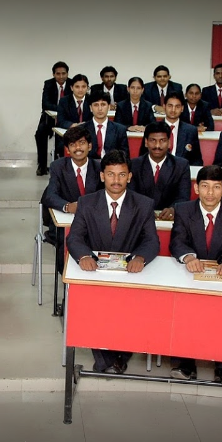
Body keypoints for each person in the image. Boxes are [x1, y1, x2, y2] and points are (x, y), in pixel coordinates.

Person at [66, 150, 160, 373]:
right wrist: (84, 256)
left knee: (128, 313)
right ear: (102, 176)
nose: (116, 180)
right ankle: (108, 359)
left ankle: (118, 356)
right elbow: (75, 237)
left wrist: (140, 257)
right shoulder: (86, 202)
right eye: (111, 174)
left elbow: (151, 240)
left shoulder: (144, 204)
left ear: (129, 177)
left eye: (121, 175)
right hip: (96, 271)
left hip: (128, 273)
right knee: (94, 309)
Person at [169, 165, 222, 384]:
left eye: (216, 187)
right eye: (205, 186)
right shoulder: (184, 209)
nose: (210, 193)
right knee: (187, 310)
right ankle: (186, 364)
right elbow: (177, 241)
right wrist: (188, 257)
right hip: (191, 273)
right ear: (196, 188)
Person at [39, 125, 103, 254]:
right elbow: (50, 196)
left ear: (89, 146)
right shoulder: (58, 166)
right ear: (67, 149)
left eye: (82, 143)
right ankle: (66, 272)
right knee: (66, 247)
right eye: (73, 144)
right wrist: (68, 207)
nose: (78, 148)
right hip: (66, 223)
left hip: (95, 222)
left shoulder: (100, 167)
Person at [129, 122, 191, 221]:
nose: (157, 145)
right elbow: (131, 195)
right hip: (140, 218)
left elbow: (183, 197)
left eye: (162, 141)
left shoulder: (181, 165)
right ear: (146, 142)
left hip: (170, 220)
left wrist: (173, 209)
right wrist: (144, 210)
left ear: (169, 143)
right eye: (153, 140)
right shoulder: (134, 165)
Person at [35, 61, 70, 176]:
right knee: (40, 133)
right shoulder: (48, 84)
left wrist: (62, 110)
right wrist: (62, 107)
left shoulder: (72, 84)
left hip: (66, 118)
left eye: (63, 73)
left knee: (62, 137)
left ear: (67, 74)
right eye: (58, 74)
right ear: (53, 74)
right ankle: (42, 165)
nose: (61, 76)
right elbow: (45, 104)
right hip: (49, 118)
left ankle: (61, 164)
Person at [155, 91, 202, 166]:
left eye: (177, 107)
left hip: (182, 171)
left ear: (182, 108)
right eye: (170, 106)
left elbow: (197, 160)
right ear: (164, 107)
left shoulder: (191, 131)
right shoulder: (153, 128)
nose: (173, 110)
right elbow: (145, 155)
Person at [82, 91, 129, 160]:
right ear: (90, 108)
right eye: (96, 105)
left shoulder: (120, 129)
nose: (100, 109)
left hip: (112, 166)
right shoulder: (82, 129)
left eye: (103, 104)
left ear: (109, 107)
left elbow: (124, 155)